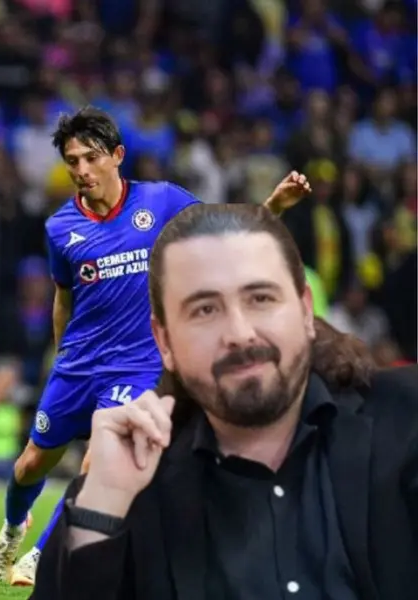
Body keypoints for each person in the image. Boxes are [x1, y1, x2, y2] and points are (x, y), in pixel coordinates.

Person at [0, 107, 312, 586]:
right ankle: (14, 530)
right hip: (78, 365)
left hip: (136, 367)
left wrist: (277, 205)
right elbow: (63, 297)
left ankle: (39, 556)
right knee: (31, 464)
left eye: (91, 158)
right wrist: (61, 359)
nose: (81, 171)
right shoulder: (60, 228)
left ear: (117, 156)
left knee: (102, 456)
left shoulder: (162, 203)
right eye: (72, 161)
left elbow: (226, 231)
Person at [32, 202, 418, 600]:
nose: (239, 333)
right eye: (205, 310)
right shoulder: (138, 489)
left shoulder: (407, 422)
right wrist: (103, 504)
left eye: (261, 299)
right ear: (164, 342)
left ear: (305, 311)